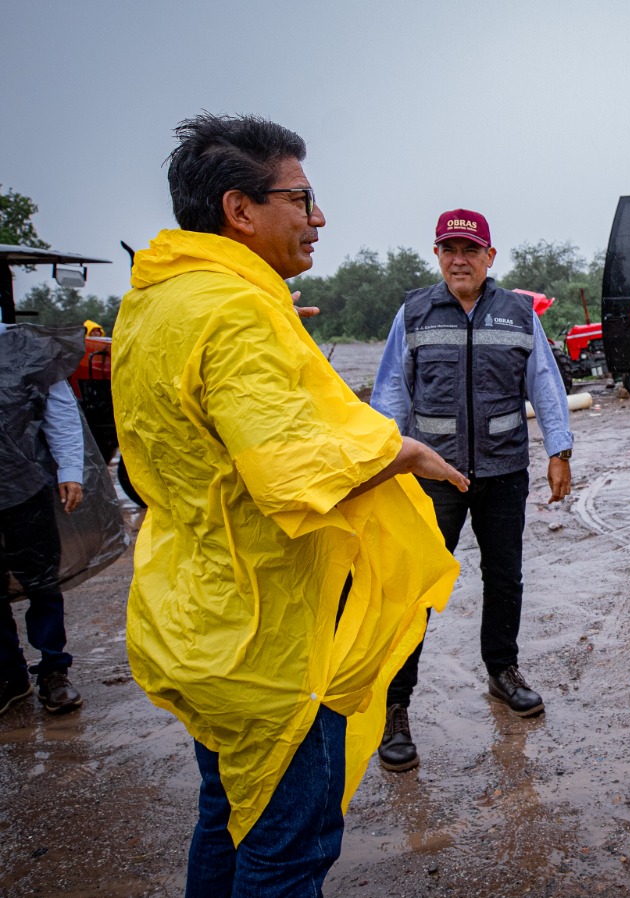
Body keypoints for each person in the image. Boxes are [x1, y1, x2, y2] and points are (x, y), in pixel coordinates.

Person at [113, 113, 465, 895]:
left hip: (201, 616)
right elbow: (287, 468)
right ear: (240, 209)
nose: (319, 218)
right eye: (302, 199)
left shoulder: (157, 303)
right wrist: (398, 452)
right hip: (275, 639)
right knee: (286, 848)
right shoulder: (237, 311)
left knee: (226, 812)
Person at [369, 208, 574, 771]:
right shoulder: (413, 313)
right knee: (415, 589)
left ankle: (502, 671)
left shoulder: (517, 313)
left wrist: (559, 450)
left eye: (470, 250)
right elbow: (390, 392)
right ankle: (395, 707)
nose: (459, 260)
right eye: (449, 250)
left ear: (490, 256)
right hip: (432, 478)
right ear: (437, 255)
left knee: (505, 576)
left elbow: (546, 385)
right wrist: (383, 464)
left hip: (504, 472)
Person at [0, 322, 85, 715]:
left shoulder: (22, 345)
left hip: (23, 485)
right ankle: (9, 674)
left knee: (41, 581)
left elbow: (59, 406)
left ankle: (53, 670)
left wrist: (69, 469)